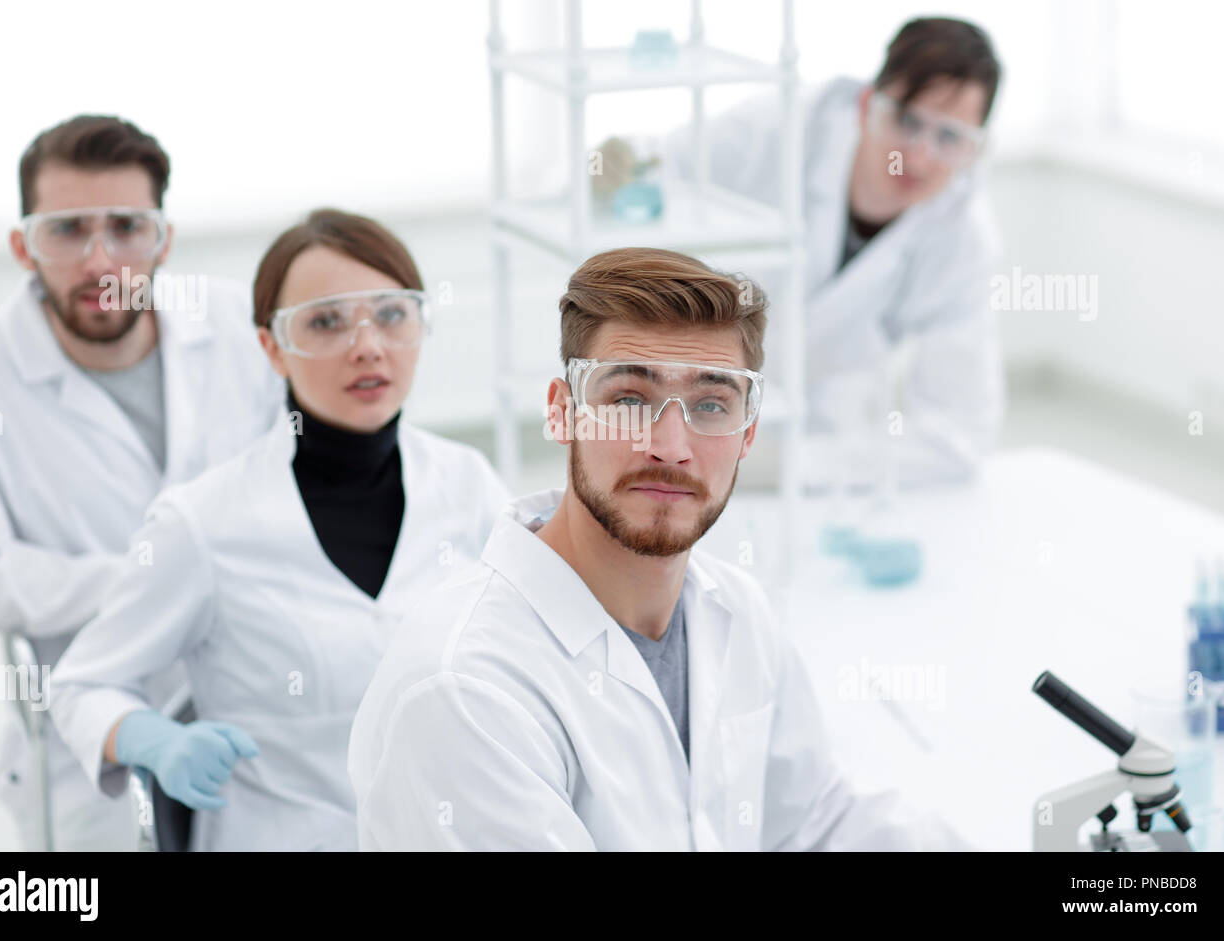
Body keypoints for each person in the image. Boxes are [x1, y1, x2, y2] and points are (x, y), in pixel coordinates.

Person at [347, 247, 969, 850]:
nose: (671, 445)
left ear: (747, 433)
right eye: (628, 400)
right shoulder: (466, 692)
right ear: (563, 413)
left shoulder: (737, 610)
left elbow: (810, 826)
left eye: (709, 404)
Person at [49, 209, 511, 851]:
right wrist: (152, 740)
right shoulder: (204, 522)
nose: (367, 344)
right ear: (270, 347)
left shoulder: (470, 485)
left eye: (391, 313)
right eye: (325, 321)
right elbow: (81, 686)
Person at [0, 115, 281, 851]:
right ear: (22, 246)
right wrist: (148, 584)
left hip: (259, 688)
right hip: (88, 737)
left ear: (162, 238)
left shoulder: (236, 327)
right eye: (66, 230)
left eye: (127, 226)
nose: (101, 259)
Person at [664, 17, 1004, 488]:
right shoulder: (783, 128)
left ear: (974, 151)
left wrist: (796, 466)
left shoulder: (962, 236)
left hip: (824, 444)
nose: (919, 157)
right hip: (688, 410)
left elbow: (957, 436)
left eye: (950, 139)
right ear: (866, 106)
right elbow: (652, 169)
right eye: (906, 120)